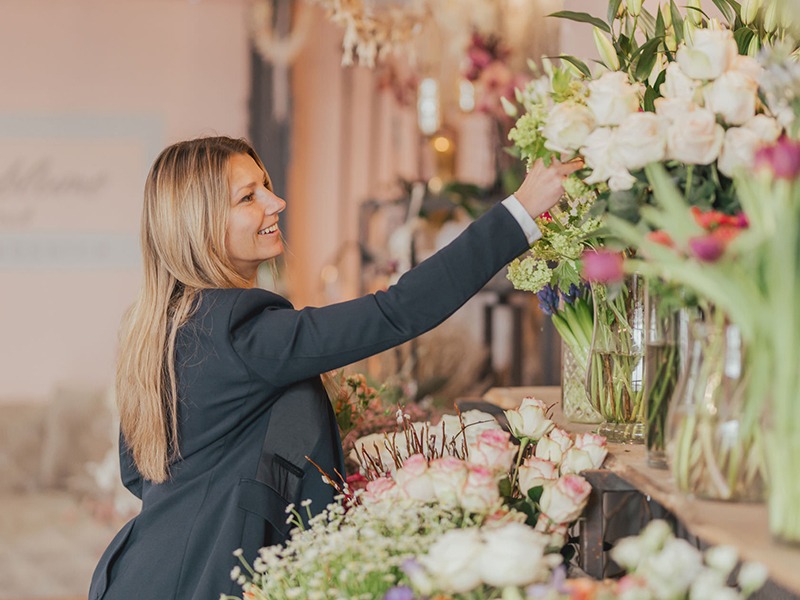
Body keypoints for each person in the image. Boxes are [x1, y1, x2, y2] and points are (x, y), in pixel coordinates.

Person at [88, 136, 580, 600]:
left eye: (267, 186)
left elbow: (141, 474)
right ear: (201, 224)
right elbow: (398, 311)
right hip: (206, 578)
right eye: (248, 197)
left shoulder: (161, 326)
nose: (275, 202)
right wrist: (520, 211)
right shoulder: (236, 328)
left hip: (141, 570)